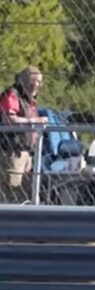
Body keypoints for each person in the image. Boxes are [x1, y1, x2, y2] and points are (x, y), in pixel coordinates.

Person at [0, 66, 47, 204]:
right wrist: (33, 121)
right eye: (37, 81)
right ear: (27, 81)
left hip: (27, 151)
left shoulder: (28, 100)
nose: (40, 85)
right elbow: (9, 120)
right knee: (11, 190)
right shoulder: (12, 95)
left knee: (24, 191)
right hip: (13, 151)